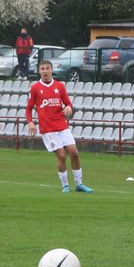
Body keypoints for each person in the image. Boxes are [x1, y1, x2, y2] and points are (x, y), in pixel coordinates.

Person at [26, 58, 93, 194]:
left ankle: (79, 184)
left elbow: (68, 103)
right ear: (39, 71)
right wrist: (31, 122)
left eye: (47, 69)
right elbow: (28, 108)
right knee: (62, 155)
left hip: (62, 125)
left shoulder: (59, 86)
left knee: (74, 153)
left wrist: (68, 108)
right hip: (48, 129)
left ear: (52, 70)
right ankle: (65, 186)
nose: (45, 71)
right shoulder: (35, 88)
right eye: (42, 69)